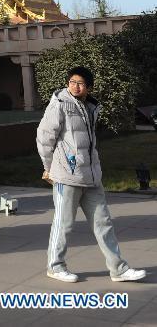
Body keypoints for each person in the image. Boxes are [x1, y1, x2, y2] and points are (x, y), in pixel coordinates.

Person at [37, 66, 146, 283]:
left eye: (81, 83)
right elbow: (44, 137)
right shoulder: (59, 104)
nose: (75, 86)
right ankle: (55, 266)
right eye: (72, 82)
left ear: (89, 86)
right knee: (64, 223)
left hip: (91, 175)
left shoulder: (91, 106)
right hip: (66, 175)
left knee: (103, 222)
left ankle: (119, 269)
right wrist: (49, 167)